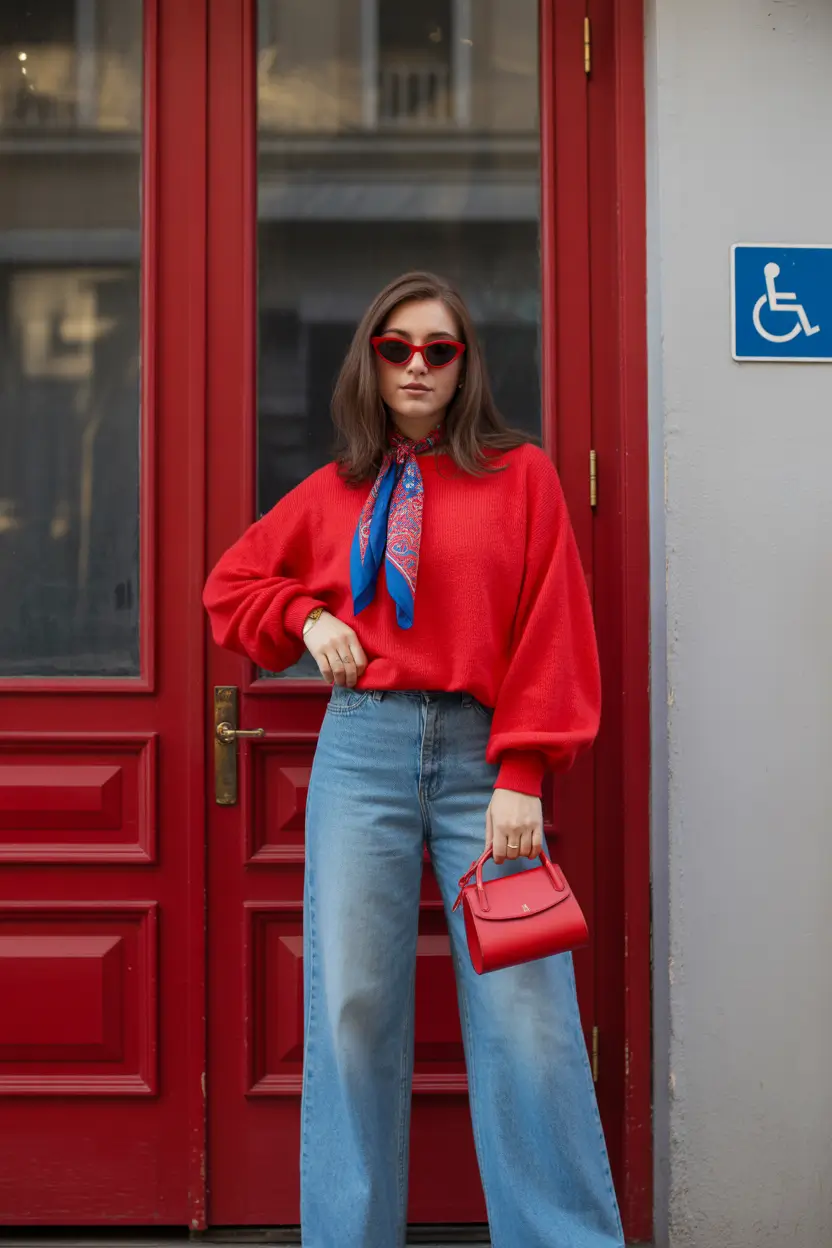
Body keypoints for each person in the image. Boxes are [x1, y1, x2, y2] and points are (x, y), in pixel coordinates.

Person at [203, 272, 624, 1248]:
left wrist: (523, 771)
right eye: (397, 349)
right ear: (372, 364)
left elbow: (553, 630)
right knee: (353, 1007)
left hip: (484, 758)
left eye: (438, 348)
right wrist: (305, 616)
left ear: (465, 363)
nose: (418, 366)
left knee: (527, 1014)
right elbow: (228, 587)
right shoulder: (335, 492)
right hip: (364, 753)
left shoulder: (522, 477)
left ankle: (564, 1238)